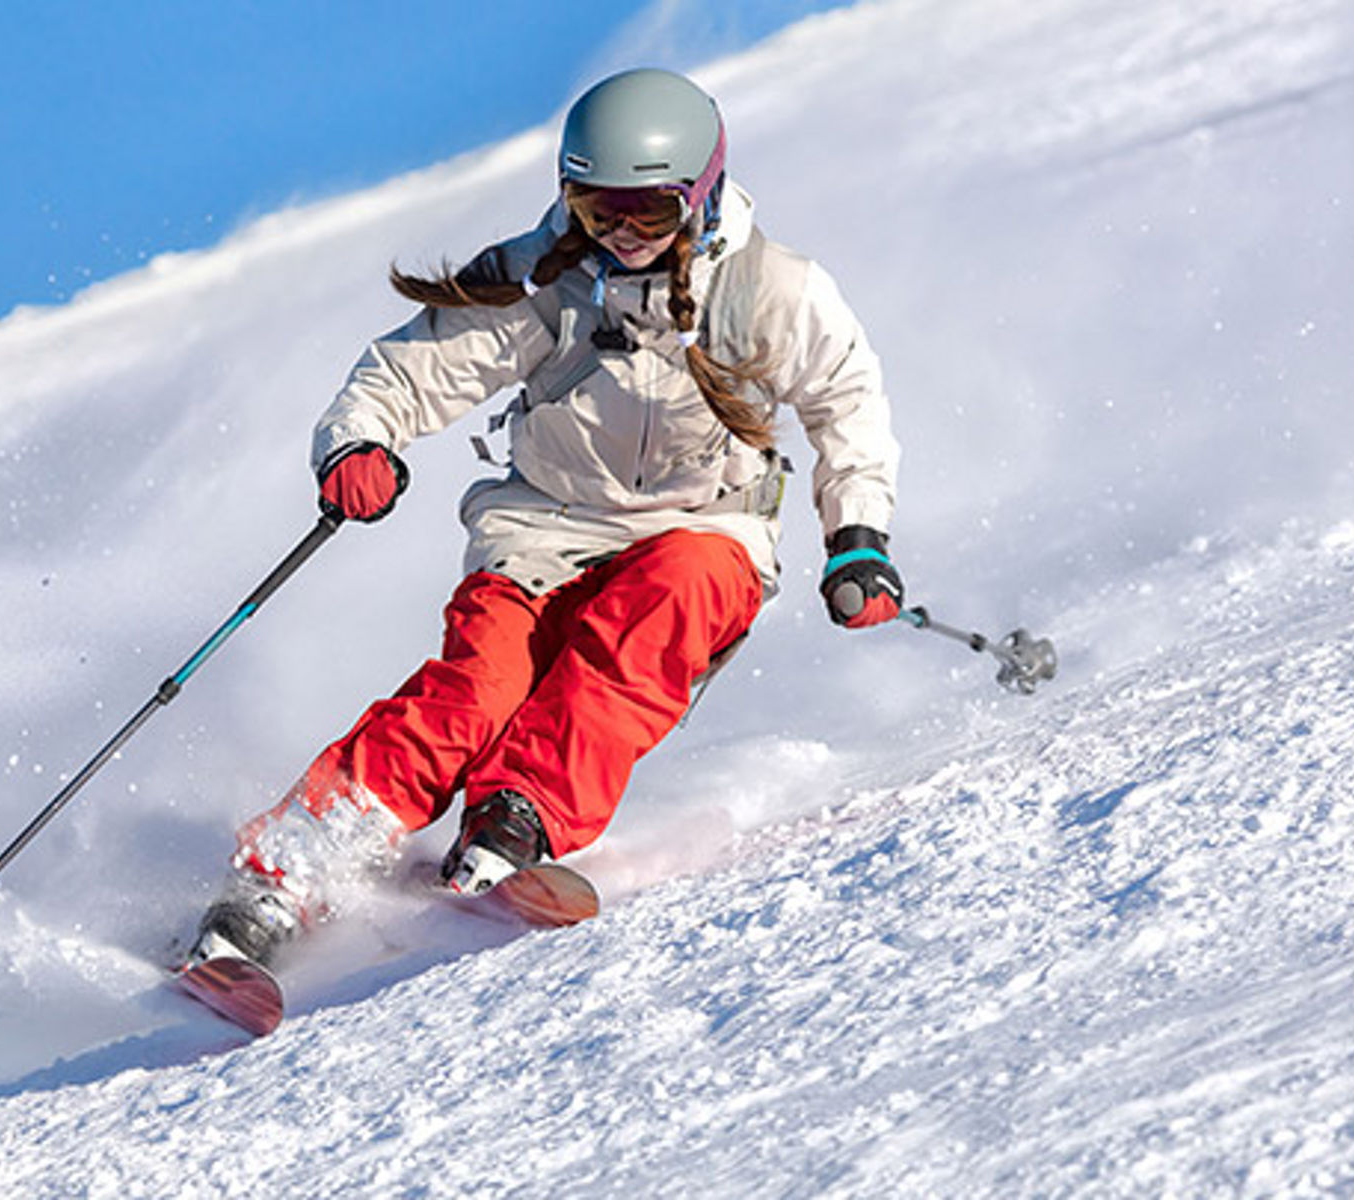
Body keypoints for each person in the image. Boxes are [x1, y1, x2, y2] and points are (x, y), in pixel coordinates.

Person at [189, 67, 904, 969]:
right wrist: (357, 445)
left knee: (649, 627)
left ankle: (512, 821)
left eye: (651, 213)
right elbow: (408, 372)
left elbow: (848, 407)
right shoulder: (546, 278)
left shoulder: (772, 291)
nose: (623, 235)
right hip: (543, 532)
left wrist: (858, 539)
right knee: (473, 694)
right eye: (598, 210)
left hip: (704, 528)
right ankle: (277, 880)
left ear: (704, 193)